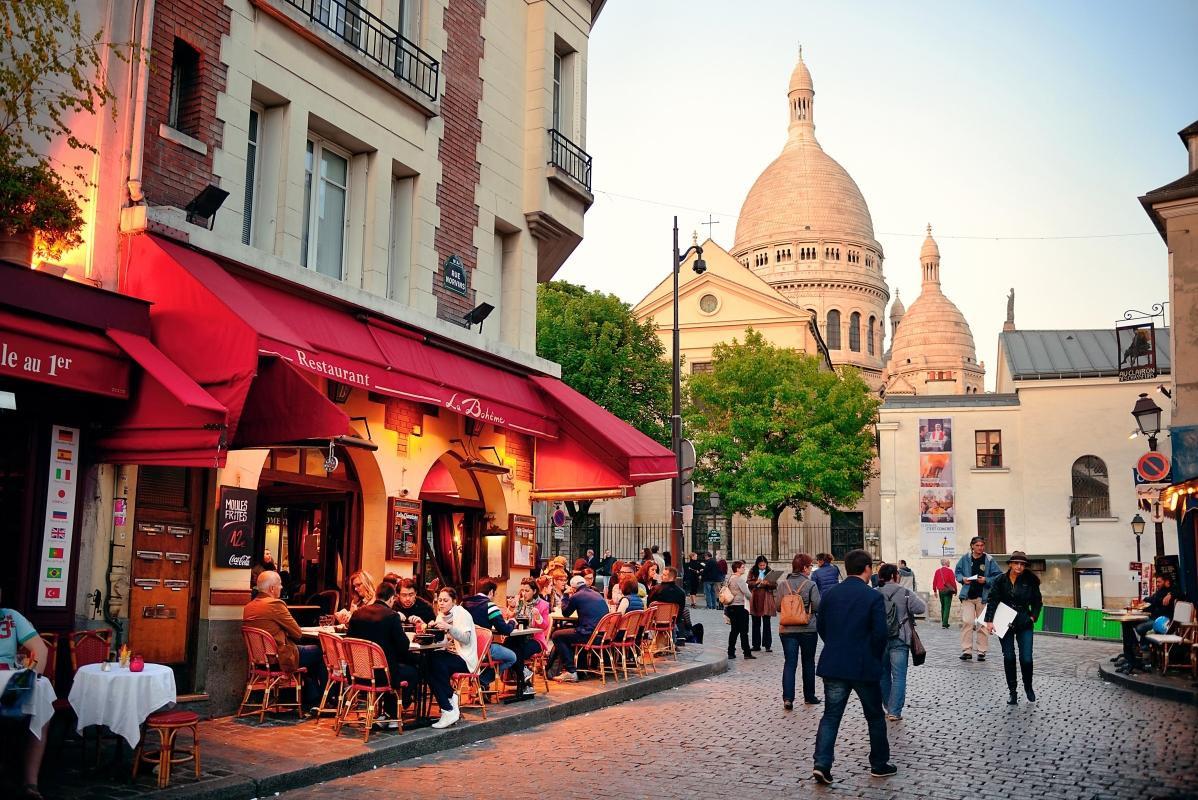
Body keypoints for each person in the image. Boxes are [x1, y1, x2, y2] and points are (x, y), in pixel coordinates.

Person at [811, 549, 895, 784]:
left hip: (834, 662)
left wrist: (836, 645)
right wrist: (874, 657)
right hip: (863, 664)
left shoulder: (830, 594)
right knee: (875, 716)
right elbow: (880, 634)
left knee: (830, 716)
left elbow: (822, 627)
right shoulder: (872, 597)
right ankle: (879, 763)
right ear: (867, 568)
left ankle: (822, 763)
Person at [243, 570, 327, 712]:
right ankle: (323, 700)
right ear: (272, 588)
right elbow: (298, 633)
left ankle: (311, 696)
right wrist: (285, 630)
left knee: (310, 654)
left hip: (260, 660)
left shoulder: (249, 606)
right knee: (319, 651)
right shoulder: (275, 604)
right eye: (280, 585)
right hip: (279, 658)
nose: (282, 588)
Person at [346, 581, 419, 727]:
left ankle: (387, 714)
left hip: (357, 673)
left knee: (395, 666)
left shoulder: (357, 614)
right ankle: (393, 713)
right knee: (414, 669)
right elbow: (403, 645)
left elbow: (349, 640)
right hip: (382, 675)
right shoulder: (391, 616)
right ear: (392, 598)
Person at [1, 605, 51, 800]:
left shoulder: (11, 617)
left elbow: (40, 649)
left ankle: (30, 782)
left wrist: (29, 678)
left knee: (41, 713)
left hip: (11, 681)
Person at [985, 551, 1042, 704]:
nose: (1019, 566)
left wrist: (1032, 617)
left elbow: (1038, 603)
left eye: (1022, 564)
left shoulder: (1030, 581)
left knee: (1026, 658)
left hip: (1024, 622)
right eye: (1016, 563)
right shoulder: (1000, 580)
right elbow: (993, 600)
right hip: (1004, 622)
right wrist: (989, 621)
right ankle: (1012, 692)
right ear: (1010, 564)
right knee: (1009, 657)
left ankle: (1028, 686)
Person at [876, 563, 927, 721]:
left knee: (883, 675)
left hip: (880, 639)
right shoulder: (905, 593)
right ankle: (894, 711)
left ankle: (887, 706)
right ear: (894, 576)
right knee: (899, 676)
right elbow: (921, 608)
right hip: (900, 637)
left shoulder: (874, 593)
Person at [463, 580, 529, 695]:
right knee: (512, 657)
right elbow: (505, 630)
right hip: (483, 650)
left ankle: (481, 683)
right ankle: (483, 680)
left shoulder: (464, 604)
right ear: (491, 592)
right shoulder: (490, 606)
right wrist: (513, 622)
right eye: (495, 593)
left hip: (464, 649)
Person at [424, 587, 478, 729]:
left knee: (435, 664)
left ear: (454, 601)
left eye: (445, 600)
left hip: (464, 658)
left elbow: (466, 639)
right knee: (427, 663)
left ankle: (448, 708)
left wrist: (448, 627)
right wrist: (430, 628)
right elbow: (442, 641)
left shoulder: (462, 614)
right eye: (440, 600)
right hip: (449, 653)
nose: (441, 603)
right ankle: (449, 700)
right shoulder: (441, 615)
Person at [775, 553, 821, 710]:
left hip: (787, 629)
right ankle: (809, 696)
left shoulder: (783, 585)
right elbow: (817, 606)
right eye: (809, 566)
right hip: (808, 628)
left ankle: (788, 698)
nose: (810, 570)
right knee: (808, 662)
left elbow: (777, 606)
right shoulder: (810, 585)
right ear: (804, 568)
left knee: (790, 663)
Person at [550, 576, 609, 682]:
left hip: (589, 635)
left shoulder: (577, 596)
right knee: (571, 633)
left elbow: (566, 613)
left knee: (556, 635)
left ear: (573, 588)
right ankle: (581, 669)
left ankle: (571, 671)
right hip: (602, 635)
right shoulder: (597, 594)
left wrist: (566, 595)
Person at [954, 537, 1003, 661]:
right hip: (968, 596)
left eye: (982, 545)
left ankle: (981, 651)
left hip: (983, 597)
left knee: (982, 625)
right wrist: (962, 579)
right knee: (968, 622)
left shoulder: (989, 559)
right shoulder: (965, 558)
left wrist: (986, 580)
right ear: (972, 546)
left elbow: (999, 576)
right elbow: (957, 572)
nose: (980, 548)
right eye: (978, 545)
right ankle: (967, 650)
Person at [747, 555, 778, 652]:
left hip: (766, 598)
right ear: (757, 565)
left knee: (766, 623)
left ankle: (767, 645)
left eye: (764, 565)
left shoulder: (770, 571)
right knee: (755, 622)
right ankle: (756, 645)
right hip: (756, 597)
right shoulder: (752, 571)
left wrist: (767, 583)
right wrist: (756, 582)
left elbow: (775, 584)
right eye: (760, 565)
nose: (762, 567)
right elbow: (748, 582)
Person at [724, 560, 754, 660]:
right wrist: (751, 596)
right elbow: (747, 593)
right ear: (737, 569)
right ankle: (746, 652)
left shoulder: (729, 578)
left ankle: (731, 652)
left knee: (734, 631)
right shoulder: (739, 579)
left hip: (731, 606)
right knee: (744, 631)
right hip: (740, 606)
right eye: (742, 567)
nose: (744, 568)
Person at [931, 558, 957, 628]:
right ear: (946, 563)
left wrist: (934, 591)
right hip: (948, 591)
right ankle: (945, 623)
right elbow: (953, 582)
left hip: (940, 591)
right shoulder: (950, 571)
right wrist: (955, 590)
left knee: (943, 606)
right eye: (948, 562)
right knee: (947, 607)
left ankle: (943, 621)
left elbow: (934, 581)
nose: (949, 563)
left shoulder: (937, 571)